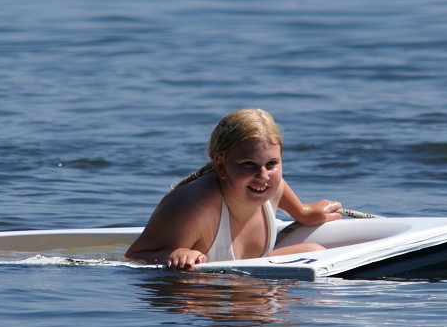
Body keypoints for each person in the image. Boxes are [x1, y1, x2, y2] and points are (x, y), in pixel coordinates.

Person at [125, 108, 342, 269]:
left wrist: (304, 213)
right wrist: (176, 254)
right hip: (211, 307)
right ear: (220, 165)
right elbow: (135, 257)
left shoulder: (273, 187)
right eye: (248, 164)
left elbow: (299, 209)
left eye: (272, 164)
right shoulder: (194, 206)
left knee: (315, 251)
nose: (263, 176)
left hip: (242, 285)